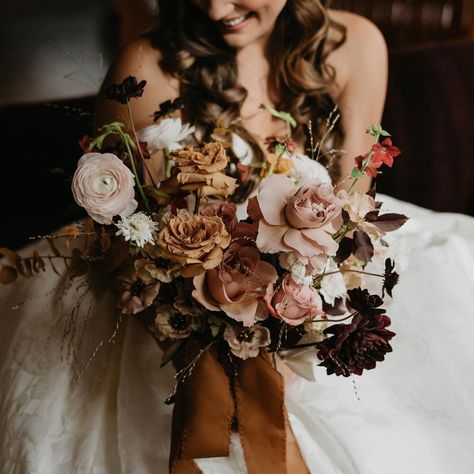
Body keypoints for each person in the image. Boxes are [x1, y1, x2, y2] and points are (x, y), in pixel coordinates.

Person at [1, 1, 474, 473]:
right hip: (179, 292)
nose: (216, 8)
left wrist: (303, 320)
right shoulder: (147, 66)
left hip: (319, 274)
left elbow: (352, 204)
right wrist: (221, 328)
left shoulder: (355, 45)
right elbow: (131, 233)